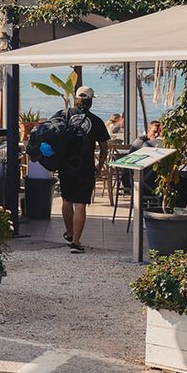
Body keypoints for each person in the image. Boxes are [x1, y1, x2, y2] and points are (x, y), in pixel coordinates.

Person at [54, 86, 110, 254]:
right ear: (91, 101)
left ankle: (70, 234)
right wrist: (99, 167)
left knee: (66, 200)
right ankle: (76, 242)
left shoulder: (63, 115)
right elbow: (104, 147)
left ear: (76, 99)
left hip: (65, 165)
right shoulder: (96, 121)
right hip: (84, 166)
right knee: (80, 203)